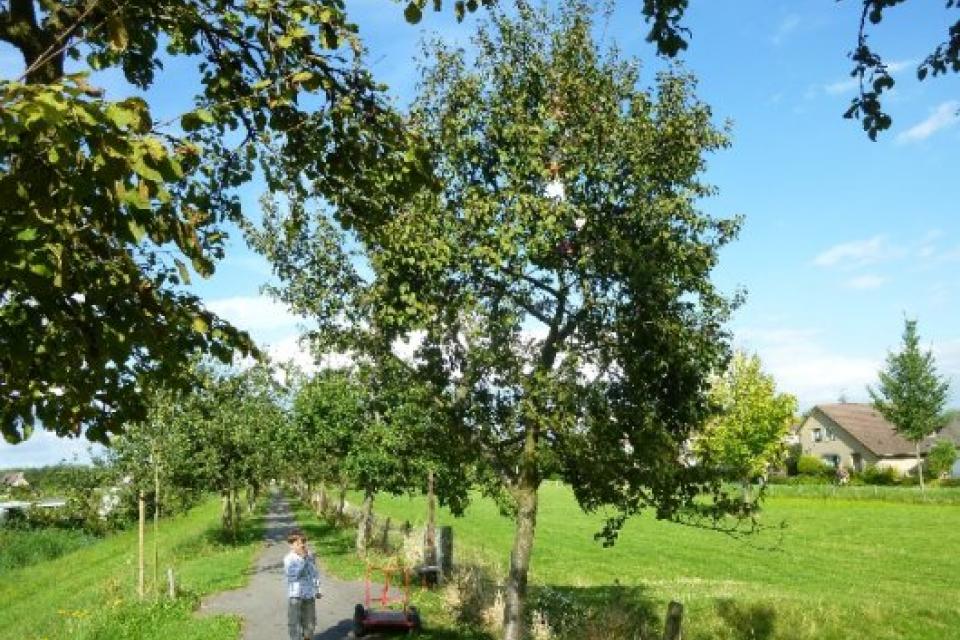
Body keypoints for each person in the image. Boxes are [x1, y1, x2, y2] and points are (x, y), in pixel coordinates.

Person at [284, 529, 321, 640]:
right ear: (291, 545)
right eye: (298, 543)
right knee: (294, 624)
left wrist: (318, 588)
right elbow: (295, 575)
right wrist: (303, 559)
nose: (302, 546)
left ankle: (307, 637)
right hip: (295, 595)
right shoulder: (288, 559)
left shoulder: (309, 556)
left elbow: (314, 573)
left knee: (310, 624)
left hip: (309, 594)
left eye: (303, 542)